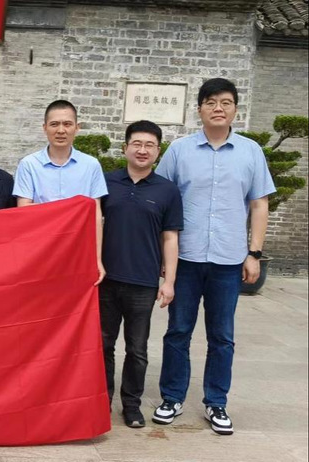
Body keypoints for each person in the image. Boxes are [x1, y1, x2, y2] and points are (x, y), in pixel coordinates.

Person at [152, 78, 275, 435]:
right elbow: (161, 199)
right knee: (178, 330)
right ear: (200, 109)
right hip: (187, 259)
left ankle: (216, 401)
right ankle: (172, 397)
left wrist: (254, 253)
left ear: (235, 108)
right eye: (210, 102)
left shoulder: (251, 151)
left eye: (225, 102)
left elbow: (259, 204)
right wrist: (163, 257)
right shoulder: (180, 150)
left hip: (228, 259)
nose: (218, 108)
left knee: (222, 335)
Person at [99, 120, 183, 428]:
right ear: (125, 148)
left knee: (137, 348)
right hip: (105, 280)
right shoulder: (105, 182)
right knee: (103, 344)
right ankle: (102, 400)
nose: (142, 150)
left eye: (149, 145)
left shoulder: (167, 190)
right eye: (137, 143)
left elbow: (170, 237)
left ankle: (131, 405)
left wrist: (169, 282)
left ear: (158, 151)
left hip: (143, 282)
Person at [13, 100, 108, 285]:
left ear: (77, 128)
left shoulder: (91, 165)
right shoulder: (29, 165)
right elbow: (24, 210)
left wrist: (97, 259)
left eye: (67, 124)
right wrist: (71, 210)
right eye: (54, 124)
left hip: (78, 251)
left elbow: (95, 215)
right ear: (45, 128)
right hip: (38, 250)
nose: (61, 130)